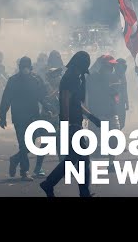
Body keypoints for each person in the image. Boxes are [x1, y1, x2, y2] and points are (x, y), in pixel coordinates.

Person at [40, 51, 100, 197]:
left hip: (74, 123)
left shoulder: (75, 77)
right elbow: (65, 101)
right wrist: (68, 125)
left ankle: (52, 185)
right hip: (72, 124)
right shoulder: (70, 78)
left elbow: (76, 103)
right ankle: (49, 184)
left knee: (79, 160)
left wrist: (91, 116)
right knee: (78, 159)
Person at [0, 56, 48, 181]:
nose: (25, 69)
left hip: (33, 116)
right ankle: (24, 172)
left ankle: (15, 159)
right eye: (23, 67)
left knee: (30, 144)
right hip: (19, 117)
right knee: (23, 144)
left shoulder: (36, 79)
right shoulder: (13, 80)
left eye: (27, 67)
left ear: (30, 67)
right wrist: (3, 116)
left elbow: (42, 96)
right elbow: (6, 98)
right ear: (20, 67)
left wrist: (47, 108)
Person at [114, 58, 129, 130]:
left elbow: (125, 90)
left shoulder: (123, 76)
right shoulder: (113, 76)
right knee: (117, 122)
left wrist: (127, 102)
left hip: (121, 102)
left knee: (122, 122)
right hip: (115, 103)